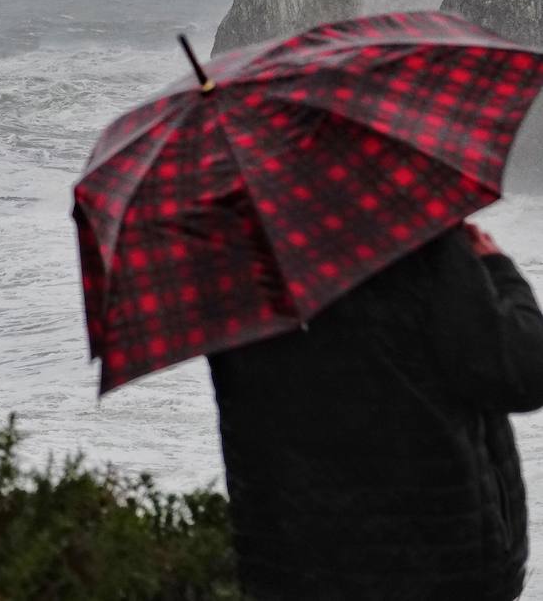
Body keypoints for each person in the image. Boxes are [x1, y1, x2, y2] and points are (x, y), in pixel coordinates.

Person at [207, 221, 543, 600]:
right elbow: (522, 372)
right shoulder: (410, 237)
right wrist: (497, 269)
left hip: (291, 563)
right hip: (438, 560)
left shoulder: (219, 259)